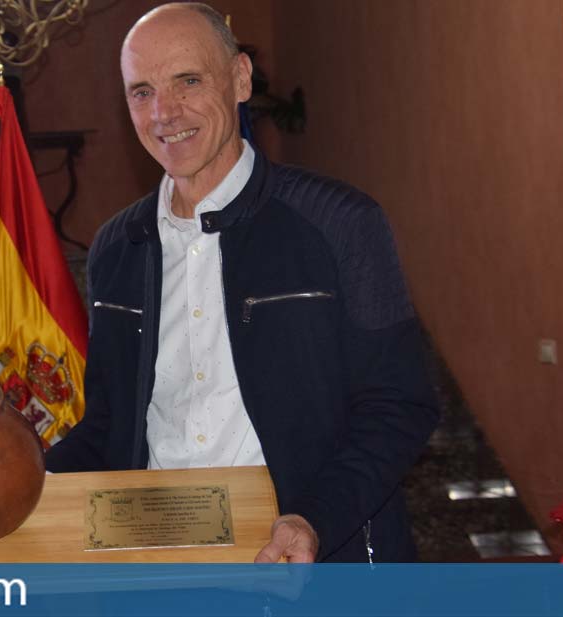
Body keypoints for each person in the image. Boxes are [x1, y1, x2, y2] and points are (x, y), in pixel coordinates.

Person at [44, 3, 439, 563]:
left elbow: (400, 404)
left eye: (188, 80)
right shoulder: (115, 249)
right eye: (141, 91)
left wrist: (312, 521)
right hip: (162, 567)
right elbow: (110, 426)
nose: (164, 112)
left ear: (240, 79)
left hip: (315, 564)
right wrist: (20, 483)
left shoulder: (341, 222)